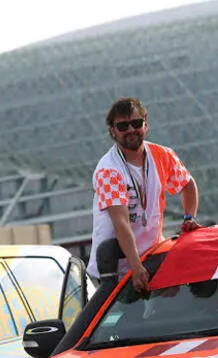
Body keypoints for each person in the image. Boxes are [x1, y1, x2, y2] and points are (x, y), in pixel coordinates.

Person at [87, 97, 200, 292]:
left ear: (145, 125)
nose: (131, 130)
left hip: (152, 255)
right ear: (112, 132)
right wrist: (136, 266)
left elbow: (188, 185)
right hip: (116, 269)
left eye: (136, 123)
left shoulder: (162, 155)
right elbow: (121, 223)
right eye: (122, 126)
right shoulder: (108, 170)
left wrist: (189, 217)